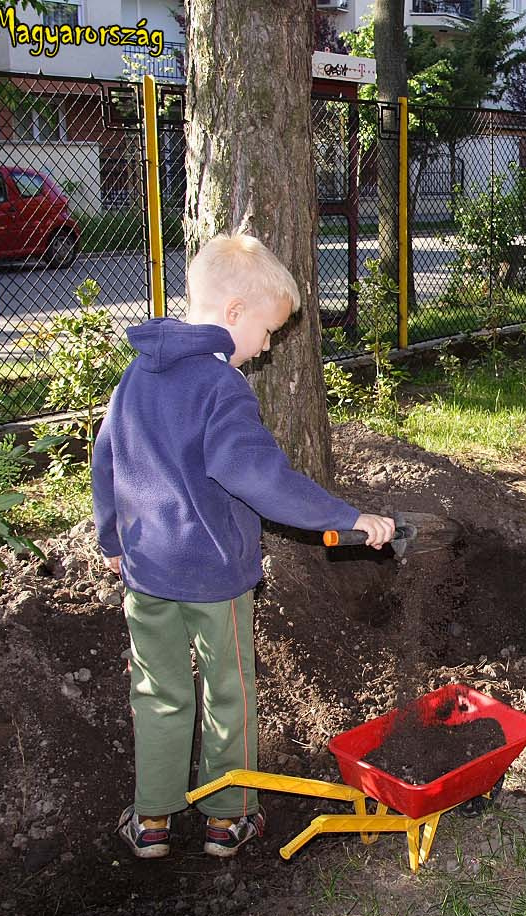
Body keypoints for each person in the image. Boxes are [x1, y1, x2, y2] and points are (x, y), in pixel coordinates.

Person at [91, 232, 396, 859]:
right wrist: (347, 517)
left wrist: (111, 536)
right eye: (266, 332)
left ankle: (152, 820)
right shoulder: (221, 387)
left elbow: (106, 456)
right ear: (234, 313)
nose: (263, 349)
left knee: (157, 690)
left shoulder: (138, 374)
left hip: (145, 570)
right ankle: (227, 817)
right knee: (227, 692)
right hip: (214, 579)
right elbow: (259, 477)